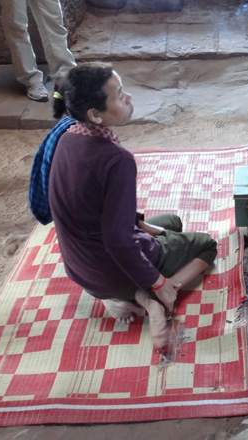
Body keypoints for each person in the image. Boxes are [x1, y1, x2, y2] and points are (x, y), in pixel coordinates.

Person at [46, 63, 218, 349]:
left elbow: (92, 207)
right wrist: (158, 282)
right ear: (95, 115)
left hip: (80, 270)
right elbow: (118, 241)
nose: (129, 99)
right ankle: (162, 293)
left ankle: (129, 297)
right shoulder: (117, 160)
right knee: (205, 244)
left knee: (171, 222)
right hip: (109, 271)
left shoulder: (67, 137)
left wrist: (143, 225)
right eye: (120, 95)